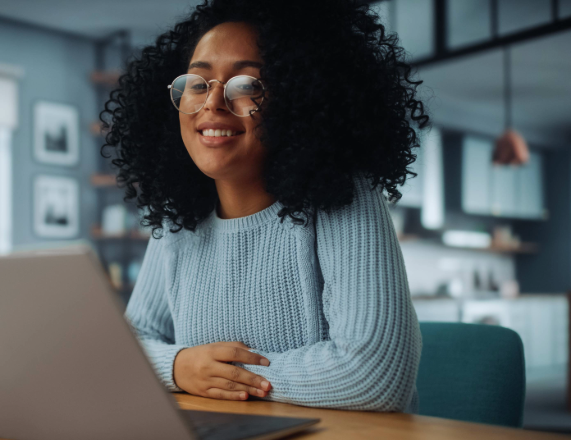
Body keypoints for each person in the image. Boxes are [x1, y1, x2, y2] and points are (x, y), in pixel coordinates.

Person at [100, 0, 428, 412]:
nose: (213, 103)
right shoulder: (178, 219)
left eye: (247, 85)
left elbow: (376, 375)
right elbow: (130, 349)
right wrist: (181, 366)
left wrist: (221, 376)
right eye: (198, 84)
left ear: (301, 98)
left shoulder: (343, 198)